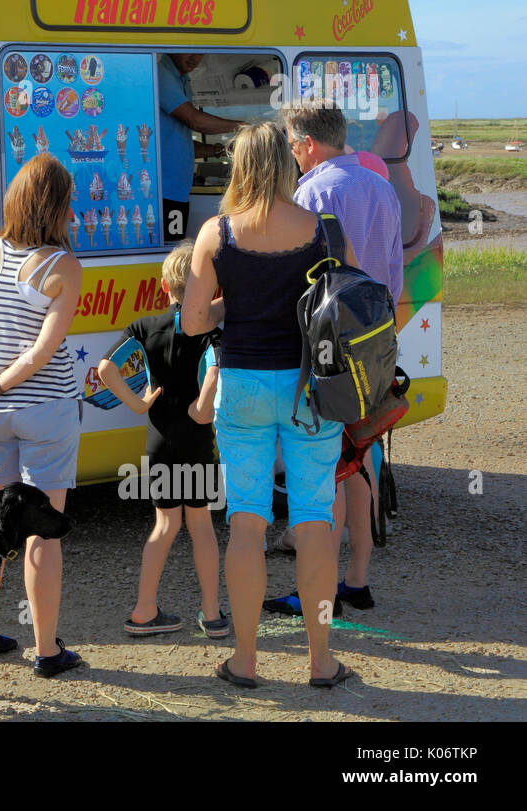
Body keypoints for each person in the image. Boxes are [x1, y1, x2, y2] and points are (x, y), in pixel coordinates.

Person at [181, 122, 360, 688]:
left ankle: (246, 659)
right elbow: (346, 304)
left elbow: (191, 321)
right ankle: (321, 660)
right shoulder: (324, 230)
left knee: (247, 524)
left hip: (242, 387)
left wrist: (232, 304)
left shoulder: (217, 234)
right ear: (287, 164)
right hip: (311, 389)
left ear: (239, 166)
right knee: (314, 522)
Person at [263, 106, 404, 614]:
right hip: (376, 346)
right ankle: (356, 580)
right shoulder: (380, 187)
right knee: (363, 461)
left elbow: (300, 284)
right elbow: (394, 273)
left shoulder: (312, 194)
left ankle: (314, 592)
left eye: (290, 145)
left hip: (328, 350)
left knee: (326, 470)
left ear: (304, 144)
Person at [0, 152, 83, 677]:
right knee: (42, 533)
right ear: (56, 206)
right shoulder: (63, 267)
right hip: (46, 411)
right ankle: (47, 650)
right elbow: (42, 353)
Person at [96, 240, 229, 639]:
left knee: (165, 525)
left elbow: (105, 368)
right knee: (201, 524)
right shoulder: (210, 333)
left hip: (159, 439)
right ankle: (213, 613)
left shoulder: (144, 327)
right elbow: (215, 370)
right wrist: (201, 409)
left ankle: (143, 611)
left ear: (164, 287)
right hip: (196, 438)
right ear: (208, 287)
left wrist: (137, 404)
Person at [157, 54, 244, 241]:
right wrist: (244, 127)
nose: (195, 58)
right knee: (170, 248)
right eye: (188, 50)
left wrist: (218, 150)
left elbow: (178, 143)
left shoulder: (182, 80)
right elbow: (194, 120)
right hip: (164, 193)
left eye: (199, 52)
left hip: (176, 193)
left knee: (174, 244)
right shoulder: (161, 75)